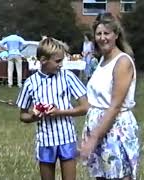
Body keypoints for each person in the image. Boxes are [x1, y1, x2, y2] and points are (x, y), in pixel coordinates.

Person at [16, 37, 89, 180]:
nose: (61, 65)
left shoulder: (67, 77)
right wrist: (34, 116)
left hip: (66, 138)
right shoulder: (31, 83)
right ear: (43, 60)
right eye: (57, 61)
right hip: (45, 140)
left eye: (62, 60)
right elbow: (22, 115)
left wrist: (60, 112)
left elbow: (85, 107)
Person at [79, 12, 141, 180]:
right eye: (98, 34)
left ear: (116, 35)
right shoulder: (102, 61)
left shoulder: (122, 62)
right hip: (98, 127)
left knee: (118, 176)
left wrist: (93, 138)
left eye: (106, 33)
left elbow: (115, 106)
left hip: (115, 130)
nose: (102, 38)